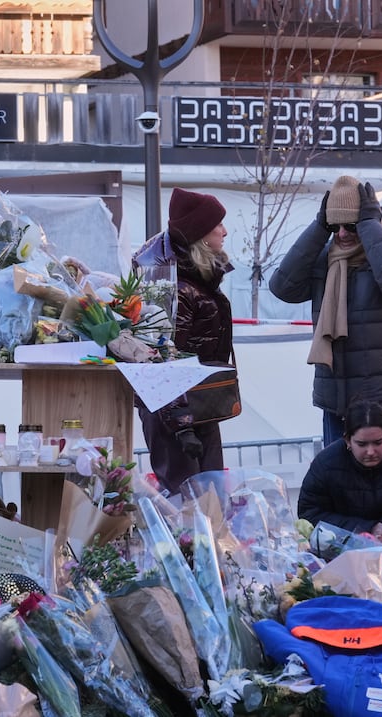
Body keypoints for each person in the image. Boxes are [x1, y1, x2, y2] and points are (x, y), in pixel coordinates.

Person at [268, 175, 382, 448]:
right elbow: (282, 287)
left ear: (369, 221)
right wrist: (318, 229)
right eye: (334, 225)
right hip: (338, 398)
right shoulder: (325, 259)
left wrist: (368, 226)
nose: (341, 234)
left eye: (350, 225)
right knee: (339, 487)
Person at [137, 187, 234, 495]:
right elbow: (162, 359)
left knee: (210, 503)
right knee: (188, 506)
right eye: (218, 224)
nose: (225, 231)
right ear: (200, 234)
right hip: (176, 414)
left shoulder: (195, 278)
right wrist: (182, 423)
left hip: (196, 406)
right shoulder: (174, 286)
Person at [296, 400, 382, 535]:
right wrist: (367, 527)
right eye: (362, 444)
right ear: (347, 441)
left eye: (378, 442)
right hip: (344, 542)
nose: (370, 451)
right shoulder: (325, 464)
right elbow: (309, 512)